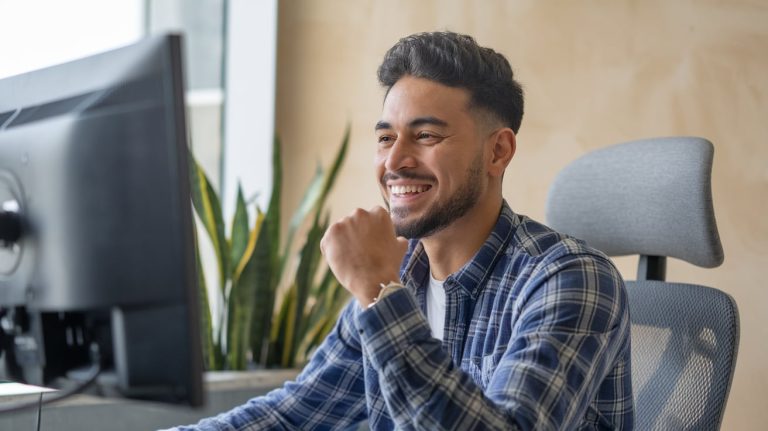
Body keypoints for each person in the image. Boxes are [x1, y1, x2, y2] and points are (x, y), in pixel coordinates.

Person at [169, 31, 633, 431]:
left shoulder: (571, 279)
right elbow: (293, 416)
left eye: (426, 136)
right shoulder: (404, 273)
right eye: (386, 137)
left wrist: (377, 291)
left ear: (498, 152)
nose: (393, 162)